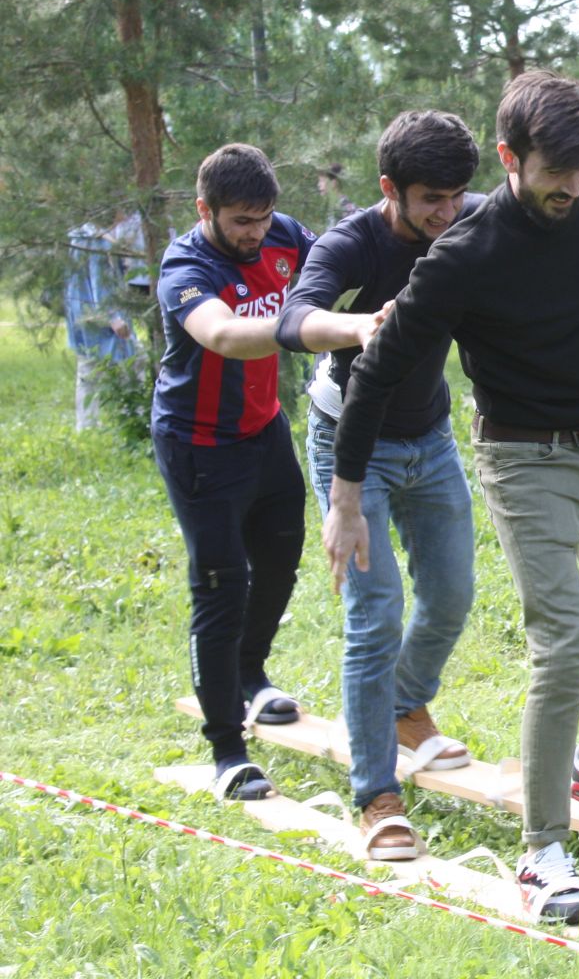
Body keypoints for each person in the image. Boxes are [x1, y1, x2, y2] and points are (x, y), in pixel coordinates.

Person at [321, 70, 579, 923]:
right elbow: (374, 372)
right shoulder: (464, 253)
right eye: (552, 175)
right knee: (563, 644)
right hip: (524, 459)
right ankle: (542, 856)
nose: (571, 190)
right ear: (508, 158)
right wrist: (347, 495)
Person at [276, 110, 485, 858]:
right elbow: (294, 317)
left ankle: (405, 706)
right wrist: (359, 325)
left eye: (459, 195)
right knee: (374, 615)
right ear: (389, 188)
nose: (448, 212)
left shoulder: (464, 218)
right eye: (431, 198)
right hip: (347, 443)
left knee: (453, 591)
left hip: (429, 435)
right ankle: (377, 794)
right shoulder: (353, 241)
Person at [152, 144, 327, 801]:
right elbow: (223, 335)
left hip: (265, 428)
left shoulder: (283, 237)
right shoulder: (186, 266)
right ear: (206, 211)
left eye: (263, 217)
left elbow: (339, 260)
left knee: (281, 560)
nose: (255, 233)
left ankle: (252, 674)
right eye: (240, 221)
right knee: (221, 587)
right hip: (200, 445)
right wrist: (315, 330)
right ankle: (227, 749)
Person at [66, 214, 139, 430]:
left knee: (89, 367)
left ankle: (89, 424)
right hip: (97, 314)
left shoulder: (81, 235)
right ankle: (130, 417)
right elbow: (100, 282)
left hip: (82, 311)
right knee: (128, 363)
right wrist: (112, 318)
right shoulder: (94, 240)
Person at [317, 163, 360, 227]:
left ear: (333, 183)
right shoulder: (329, 208)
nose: (318, 185)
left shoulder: (348, 209)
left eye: (322, 181)